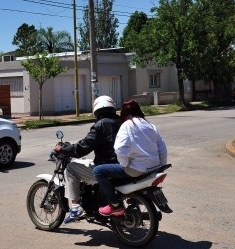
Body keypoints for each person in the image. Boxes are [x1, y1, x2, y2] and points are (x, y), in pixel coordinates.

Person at [93, 99, 168, 217]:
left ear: (123, 113)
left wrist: (125, 164)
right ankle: (134, 197)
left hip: (136, 169)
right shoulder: (150, 125)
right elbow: (162, 149)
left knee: (98, 171)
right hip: (153, 168)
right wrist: (161, 167)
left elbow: (119, 148)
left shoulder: (127, 125)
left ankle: (115, 205)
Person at [53, 95, 120, 224]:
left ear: (97, 110)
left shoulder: (100, 125)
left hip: (106, 167)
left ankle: (76, 207)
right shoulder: (120, 122)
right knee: (87, 162)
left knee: (71, 168)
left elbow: (82, 148)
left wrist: (63, 149)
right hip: (122, 165)